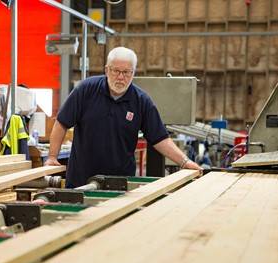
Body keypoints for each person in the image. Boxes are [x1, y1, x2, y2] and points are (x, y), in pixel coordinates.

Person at [45, 46, 202, 188]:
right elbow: (62, 123)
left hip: (119, 181)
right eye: (116, 71)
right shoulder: (86, 90)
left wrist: (185, 161)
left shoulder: (141, 101)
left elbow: (160, 138)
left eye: (126, 72)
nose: (121, 77)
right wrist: (52, 156)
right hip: (81, 178)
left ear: (133, 73)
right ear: (107, 70)